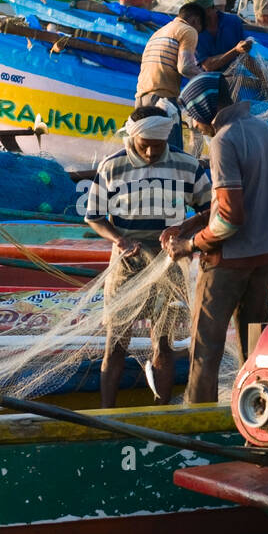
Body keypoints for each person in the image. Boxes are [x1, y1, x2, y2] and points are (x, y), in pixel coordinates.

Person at [84, 106, 212, 407]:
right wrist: (119, 238)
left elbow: (210, 208)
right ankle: (107, 413)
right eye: (145, 145)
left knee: (164, 343)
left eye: (158, 145)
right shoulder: (112, 166)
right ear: (133, 138)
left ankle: (161, 409)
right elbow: (93, 216)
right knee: (115, 342)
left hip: (170, 261)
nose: (152, 151)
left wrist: (185, 227)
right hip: (126, 262)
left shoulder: (187, 165)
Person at [164, 73, 268, 406]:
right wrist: (190, 225)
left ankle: (200, 423)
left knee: (206, 350)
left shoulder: (224, 140)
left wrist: (190, 245)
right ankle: (259, 409)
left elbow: (229, 218)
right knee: (257, 347)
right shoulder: (265, 131)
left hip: (226, 264)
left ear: (203, 110)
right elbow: (246, 200)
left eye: (191, 117)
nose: (192, 125)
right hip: (263, 258)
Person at [136, 2, 205, 105]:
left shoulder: (158, 33)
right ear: (195, 20)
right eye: (199, 31)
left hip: (141, 97)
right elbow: (185, 67)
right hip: (161, 97)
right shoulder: (188, 30)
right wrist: (207, 78)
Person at [186, 0, 254, 72]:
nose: (195, 19)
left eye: (197, 14)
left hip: (233, 78)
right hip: (205, 82)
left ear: (211, 8)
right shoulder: (193, 32)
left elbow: (247, 55)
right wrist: (236, 50)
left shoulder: (233, 22)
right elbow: (207, 66)